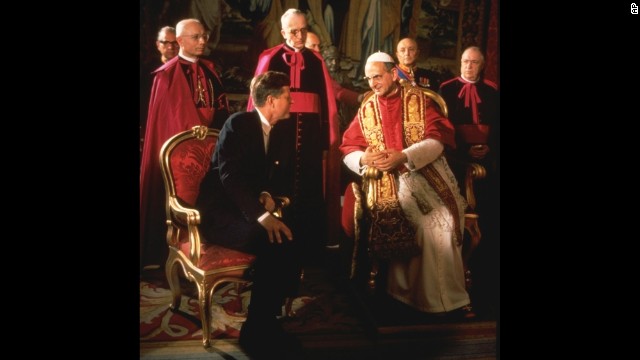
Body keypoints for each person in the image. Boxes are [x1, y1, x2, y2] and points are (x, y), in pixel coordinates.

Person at [340, 51, 475, 318]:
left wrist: (405, 156)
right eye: (368, 79)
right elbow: (347, 148)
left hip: (424, 171)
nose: (372, 84)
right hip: (386, 179)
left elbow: (438, 139)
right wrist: (365, 158)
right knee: (423, 227)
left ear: (393, 73)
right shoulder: (367, 107)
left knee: (446, 221)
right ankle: (407, 294)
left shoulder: (420, 101)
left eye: (377, 76)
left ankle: (450, 298)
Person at [196, 71, 303, 359]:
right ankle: (255, 331)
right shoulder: (238, 124)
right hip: (220, 214)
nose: (291, 101)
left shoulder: (278, 130)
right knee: (270, 238)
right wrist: (262, 216)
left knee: (289, 236)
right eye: (287, 96)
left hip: (246, 210)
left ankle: (266, 322)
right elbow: (230, 178)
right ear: (271, 100)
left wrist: (267, 194)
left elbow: (264, 176)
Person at [248, 9, 340, 259]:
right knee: (278, 185)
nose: (300, 36)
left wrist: (324, 139)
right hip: (280, 134)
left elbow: (326, 102)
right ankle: (276, 247)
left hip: (310, 136)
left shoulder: (316, 60)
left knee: (309, 188)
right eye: (293, 31)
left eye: (303, 29)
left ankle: (309, 249)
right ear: (283, 33)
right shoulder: (270, 57)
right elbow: (256, 103)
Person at [140, 18, 230, 270]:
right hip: (179, 158)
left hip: (212, 152)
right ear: (179, 41)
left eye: (204, 36)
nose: (202, 41)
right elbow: (166, 123)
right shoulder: (165, 76)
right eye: (196, 37)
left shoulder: (211, 70)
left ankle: (210, 253)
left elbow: (221, 113)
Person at [439, 46, 499, 309]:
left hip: (488, 158)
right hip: (457, 157)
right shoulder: (447, 89)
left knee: (487, 210)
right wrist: (465, 150)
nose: (468, 66)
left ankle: (483, 264)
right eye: (465, 61)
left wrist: (490, 149)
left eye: (474, 62)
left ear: (482, 65)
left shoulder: (492, 90)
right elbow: (444, 127)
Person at [140, 26, 178, 153]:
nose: (170, 47)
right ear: (158, 45)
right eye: (165, 42)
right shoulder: (147, 71)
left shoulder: (188, 70)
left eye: (174, 42)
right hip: (151, 125)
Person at [305, 32, 363, 107]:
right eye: (313, 46)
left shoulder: (317, 67)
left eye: (318, 46)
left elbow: (335, 90)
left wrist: (359, 97)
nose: (318, 49)